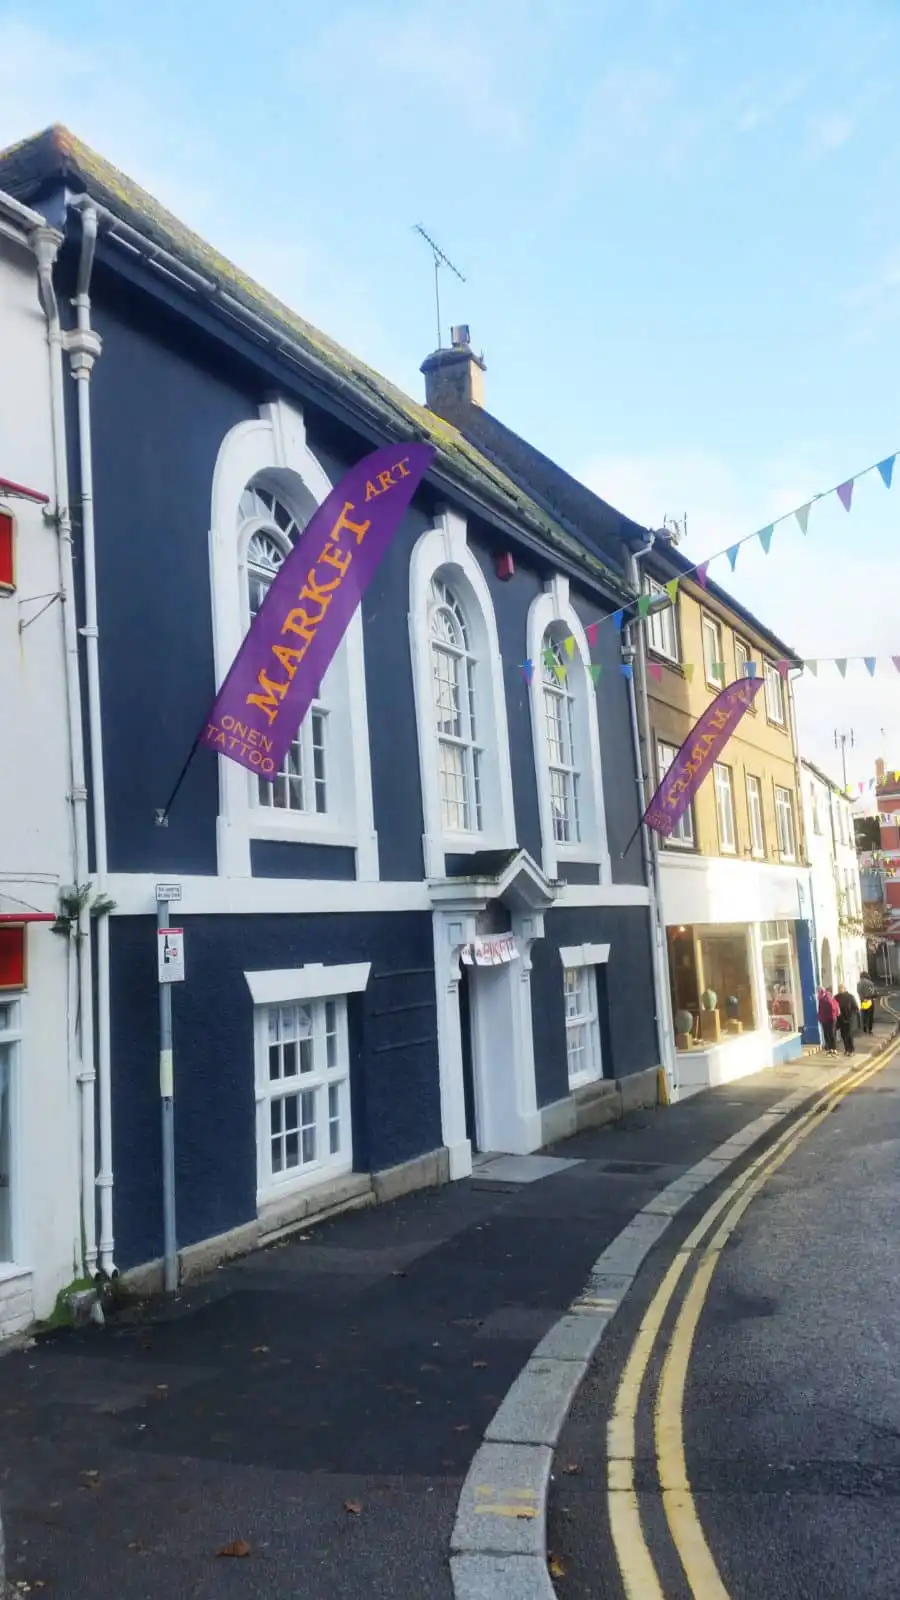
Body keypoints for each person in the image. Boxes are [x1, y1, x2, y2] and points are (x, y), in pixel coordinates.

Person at [835, 984, 860, 1056]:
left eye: (841, 988)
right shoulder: (836, 997)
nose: (840, 989)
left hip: (849, 1019)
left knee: (849, 1034)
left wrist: (851, 1015)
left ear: (845, 988)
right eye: (839, 988)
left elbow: (855, 1008)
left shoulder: (850, 997)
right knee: (843, 1035)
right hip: (841, 1018)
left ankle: (851, 1050)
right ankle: (846, 1049)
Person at [817, 986, 839, 1055]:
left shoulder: (826, 997)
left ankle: (833, 1048)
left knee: (831, 1033)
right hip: (826, 1018)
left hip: (831, 1018)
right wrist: (820, 1018)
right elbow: (820, 1009)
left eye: (819, 991)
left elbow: (832, 1007)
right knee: (827, 1034)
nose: (818, 993)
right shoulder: (821, 998)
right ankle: (830, 1048)